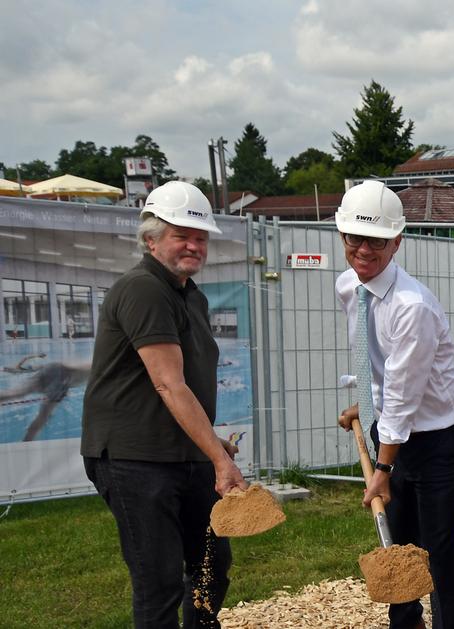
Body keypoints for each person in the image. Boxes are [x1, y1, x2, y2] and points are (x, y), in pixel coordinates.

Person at [80, 180, 247, 627]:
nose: (194, 245)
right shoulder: (143, 289)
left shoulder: (189, 294)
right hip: (136, 457)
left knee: (212, 567)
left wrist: (211, 445)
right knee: (159, 581)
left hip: (183, 455)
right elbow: (169, 385)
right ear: (151, 239)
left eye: (200, 237)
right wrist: (219, 458)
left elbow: (185, 383)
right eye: (181, 235)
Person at [334, 180, 454, 629]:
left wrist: (383, 469)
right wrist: (364, 403)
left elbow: (403, 391)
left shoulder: (411, 306)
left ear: (397, 241)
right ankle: (406, 620)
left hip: (440, 436)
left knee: (437, 544)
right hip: (394, 426)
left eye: (376, 240)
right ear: (342, 237)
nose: (364, 250)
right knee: (395, 538)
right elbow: (378, 362)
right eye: (355, 238)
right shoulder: (348, 287)